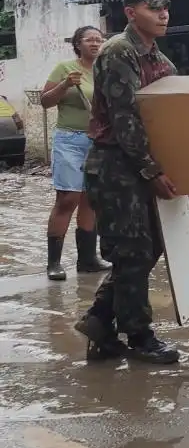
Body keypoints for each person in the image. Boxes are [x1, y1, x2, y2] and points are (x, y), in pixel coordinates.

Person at [74, 0, 181, 364]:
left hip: (142, 164)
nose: (163, 13)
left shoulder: (162, 62)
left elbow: (174, 120)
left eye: (165, 7)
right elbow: (126, 120)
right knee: (132, 252)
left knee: (146, 250)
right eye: (154, 7)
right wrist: (152, 171)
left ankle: (100, 323)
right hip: (117, 164)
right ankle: (139, 337)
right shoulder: (118, 52)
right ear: (131, 12)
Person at [39, 26, 111, 280]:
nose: (95, 43)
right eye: (89, 39)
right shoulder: (65, 68)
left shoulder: (105, 70)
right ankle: (54, 263)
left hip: (97, 141)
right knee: (68, 197)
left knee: (91, 199)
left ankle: (88, 260)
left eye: (99, 40)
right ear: (78, 44)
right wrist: (65, 85)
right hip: (69, 140)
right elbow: (45, 101)